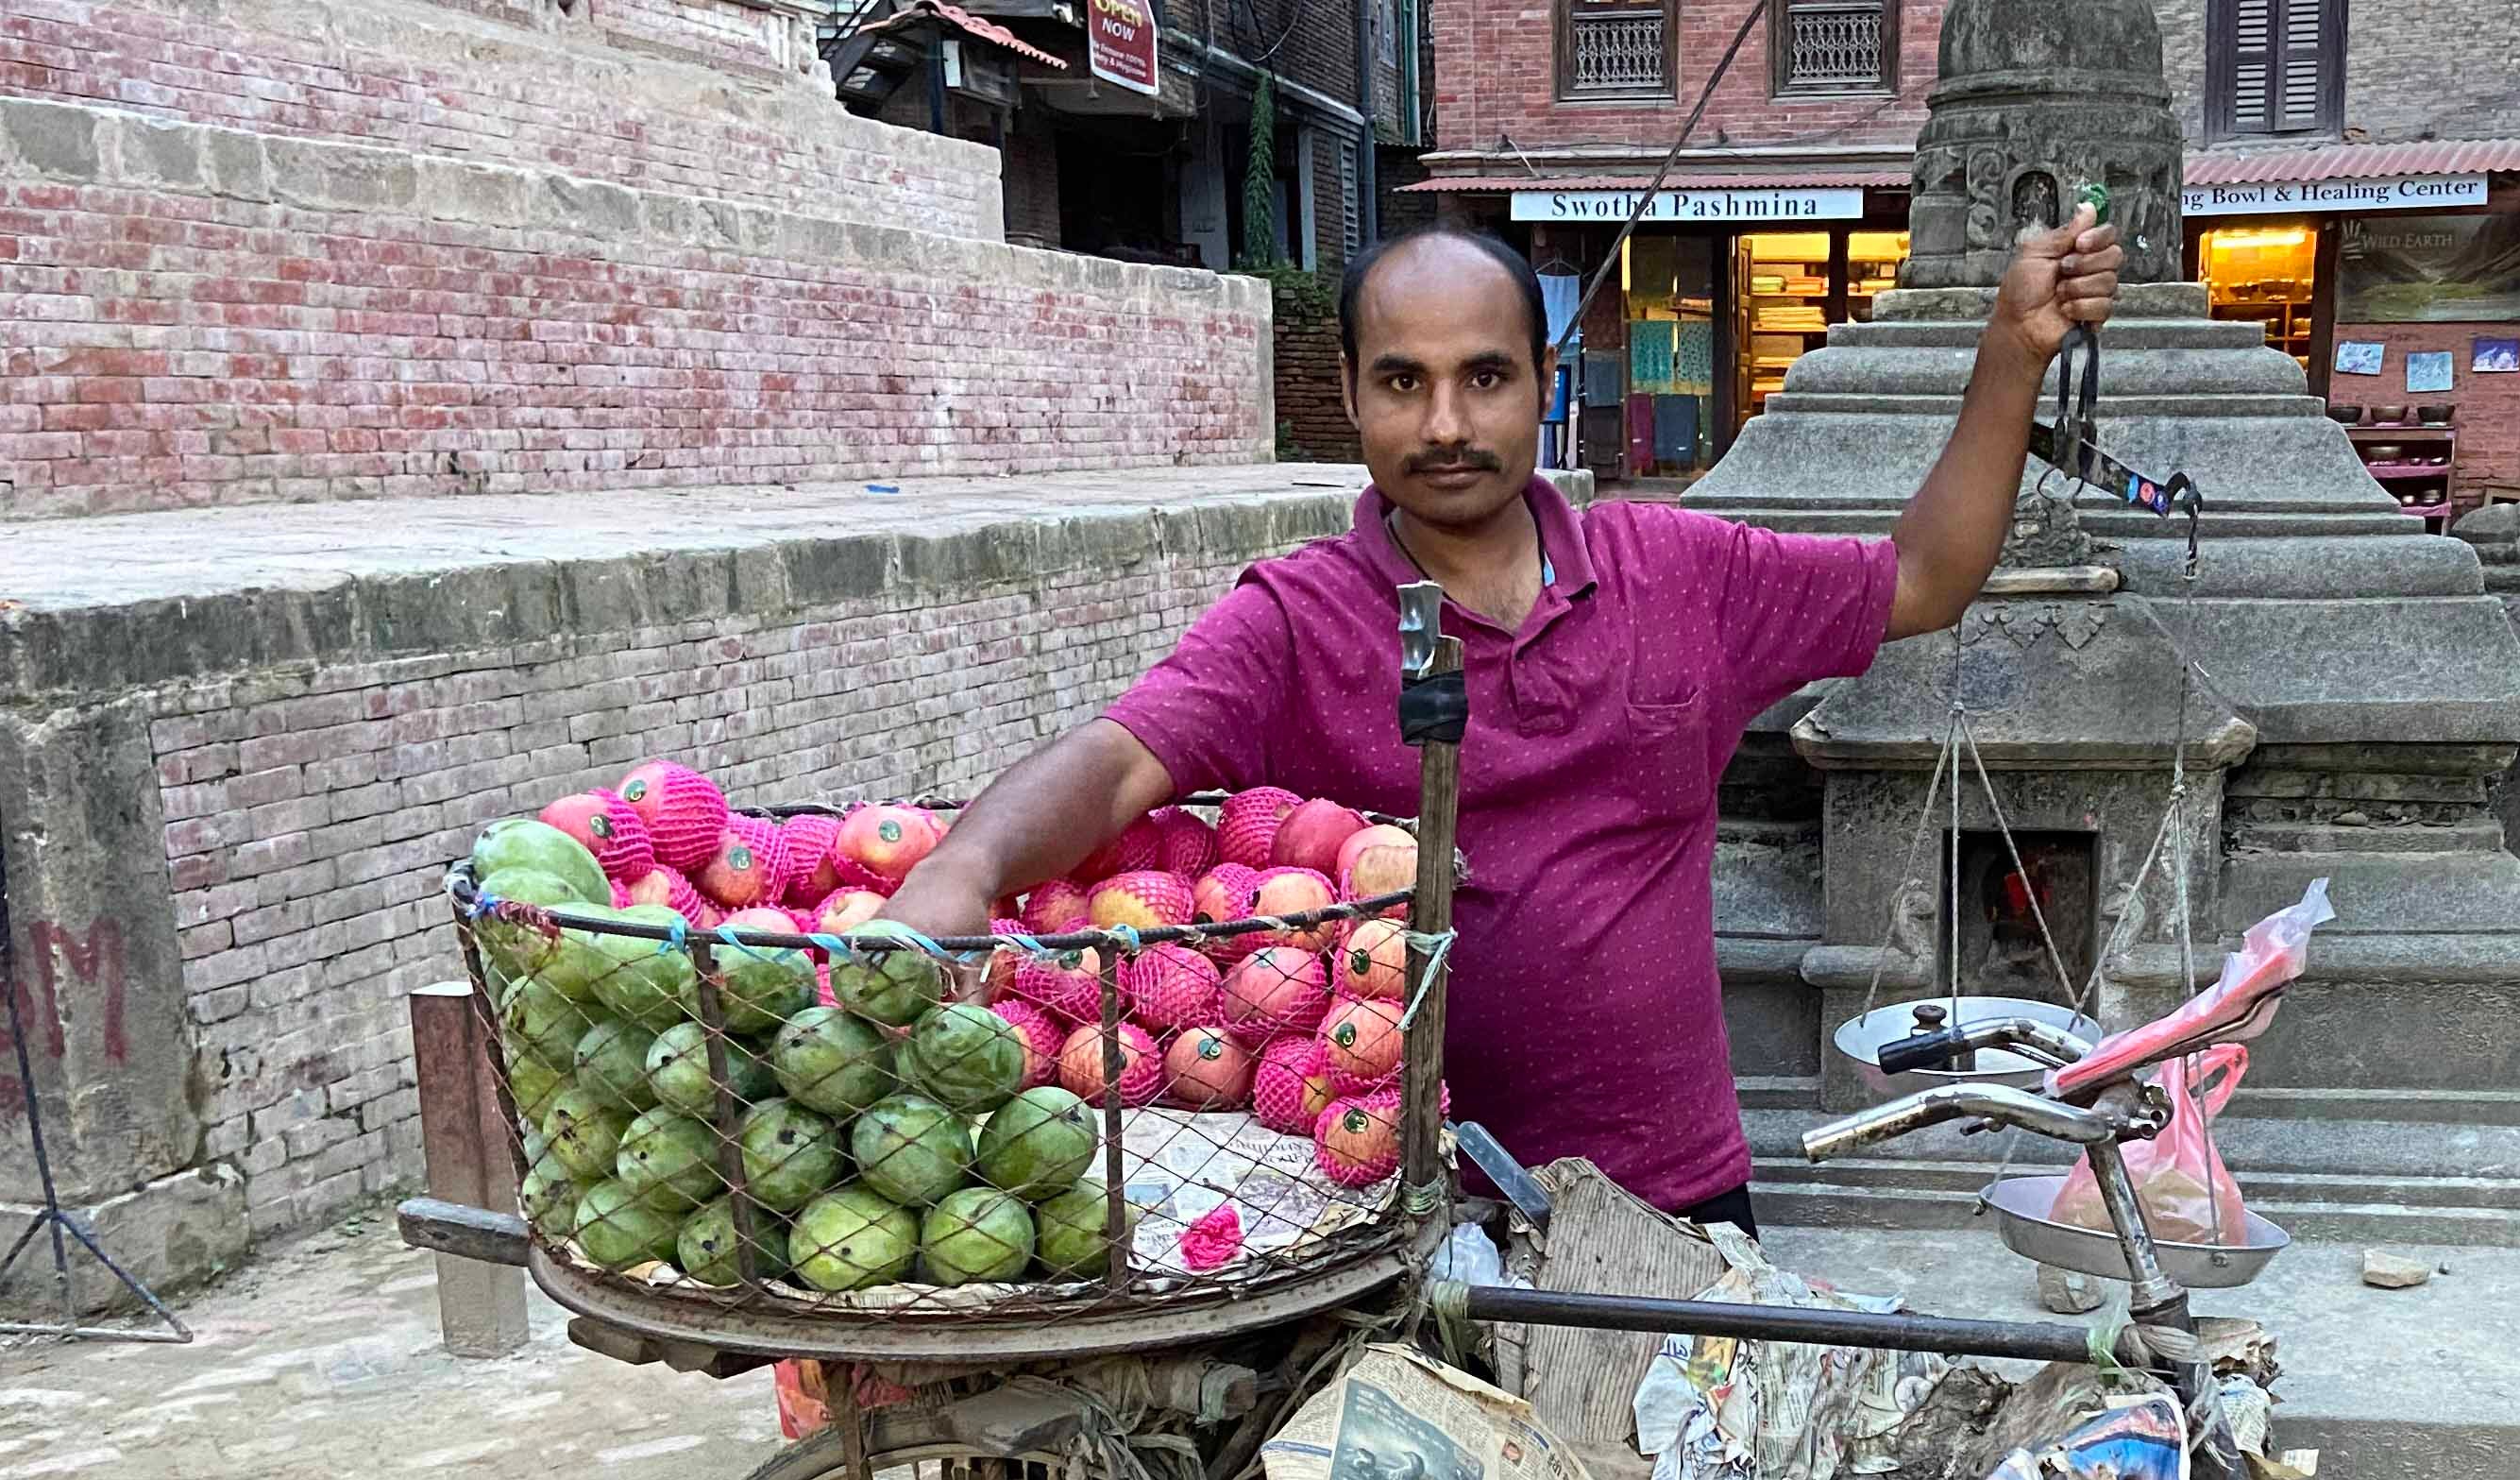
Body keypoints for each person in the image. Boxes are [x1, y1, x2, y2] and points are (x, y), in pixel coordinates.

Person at [884, 215, 2124, 1243]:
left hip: (1678, 1198)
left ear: (1544, 384)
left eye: (1484, 377)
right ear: (1354, 400)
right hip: (1404, 1211)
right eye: (1402, 383)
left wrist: (2011, 354)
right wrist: (964, 866)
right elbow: (1119, 760)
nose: (1444, 426)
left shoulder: (1676, 571)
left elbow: (1923, 579)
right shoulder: (1296, 620)